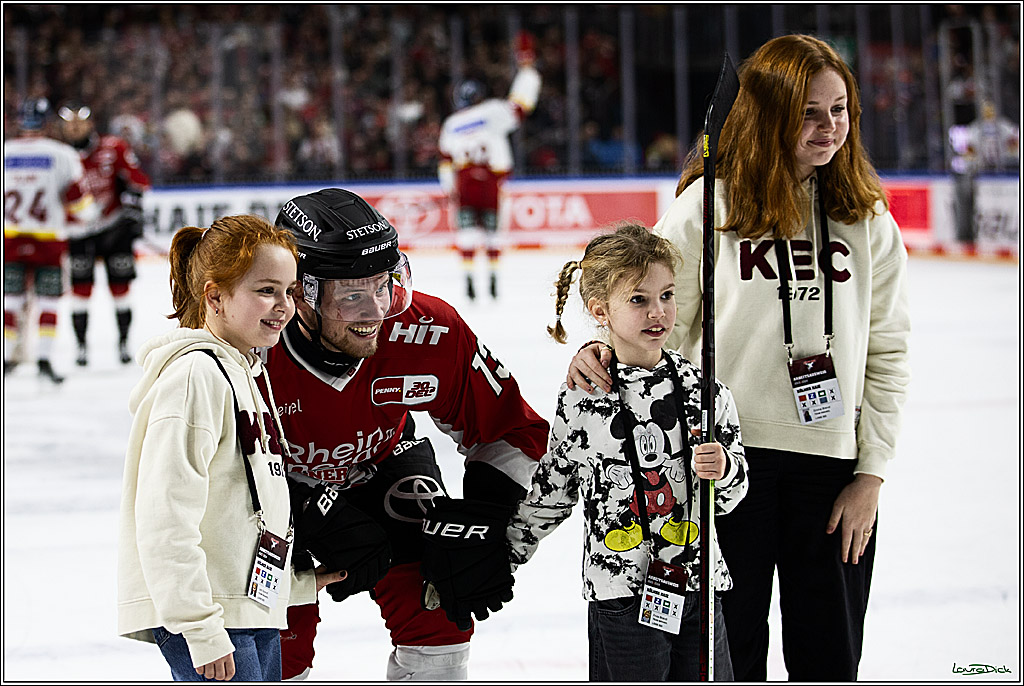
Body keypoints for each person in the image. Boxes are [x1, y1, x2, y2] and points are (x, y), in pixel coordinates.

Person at [566, 35, 911, 681]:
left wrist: (871, 476)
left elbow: (888, 352)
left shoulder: (868, 219)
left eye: (839, 110)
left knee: (830, 659)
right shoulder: (710, 205)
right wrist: (599, 348)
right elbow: (653, 314)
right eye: (809, 112)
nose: (829, 127)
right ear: (769, 113)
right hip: (722, 461)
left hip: (832, 469)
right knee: (729, 655)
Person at [264, 188, 549, 680]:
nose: (375, 311)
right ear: (298, 295)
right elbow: (199, 475)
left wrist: (486, 518)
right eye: (351, 295)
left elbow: (509, 427)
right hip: (271, 485)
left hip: (383, 461)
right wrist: (305, 507)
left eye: (384, 286)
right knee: (272, 639)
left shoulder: (426, 327)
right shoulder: (242, 346)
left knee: (439, 613)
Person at [507, 224, 748, 681]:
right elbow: (553, 490)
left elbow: (732, 497)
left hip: (699, 587)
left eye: (667, 295)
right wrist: (503, 555)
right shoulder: (583, 399)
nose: (658, 312)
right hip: (620, 592)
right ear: (601, 310)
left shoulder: (706, 392)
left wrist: (725, 469)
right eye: (639, 300)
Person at [117, 214, 345, 681]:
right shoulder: (194, 377)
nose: (284, 306)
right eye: (266, 290)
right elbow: (164, 515)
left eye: (290, 291)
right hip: (212, 615)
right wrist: (199, 626)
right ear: (215, 297)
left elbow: (240, 511)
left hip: (246, 609)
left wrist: (292, 583)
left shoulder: (245, 373)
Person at [437, 34, 541, 301]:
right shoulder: (493, 111)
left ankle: (469, 278)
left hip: (464, 182)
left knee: (467, 232)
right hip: (491, 180)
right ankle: (493, 277)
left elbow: (445, 161)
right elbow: (521, 107)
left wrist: (450, 189)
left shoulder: (451, 124)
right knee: (493, 232)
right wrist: (528, 72)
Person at [3, 97, 96, 383]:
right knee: (49, 302)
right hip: (49, 240)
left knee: (10, 301)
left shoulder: (5, 151)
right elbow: (80, 203)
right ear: (47, 122)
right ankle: (43, 360)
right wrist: (86, 216)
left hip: (11, 238)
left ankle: (6, 357)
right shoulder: (62, 154)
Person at [57, 101, 153, 366]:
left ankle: (123, 343)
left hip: (114, 227)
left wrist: (132, 206)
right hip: (76, 231)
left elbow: (140, 181)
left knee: (120, 287)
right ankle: (81, 347)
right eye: (70, 124)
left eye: (80, 123)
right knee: (80, 290)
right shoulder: (58, 155)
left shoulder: (113, 147)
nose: (75, 128)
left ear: (90, 123)